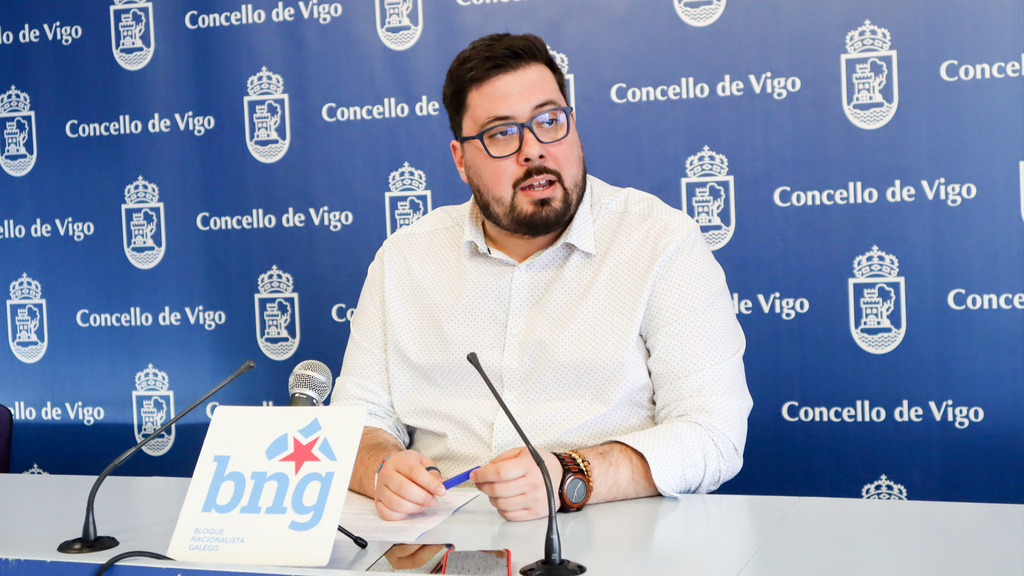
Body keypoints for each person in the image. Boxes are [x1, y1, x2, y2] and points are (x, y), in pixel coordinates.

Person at [332, 33, 752, 522]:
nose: (533, 150)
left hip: (607, 532)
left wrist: (572, 476)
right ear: (461, 160)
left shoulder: (660, 242)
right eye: (501, 134)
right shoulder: (404, 259)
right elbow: (355, 424)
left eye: (550, 121)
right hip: (440, 536)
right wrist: (382, 469)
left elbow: (713, 435)